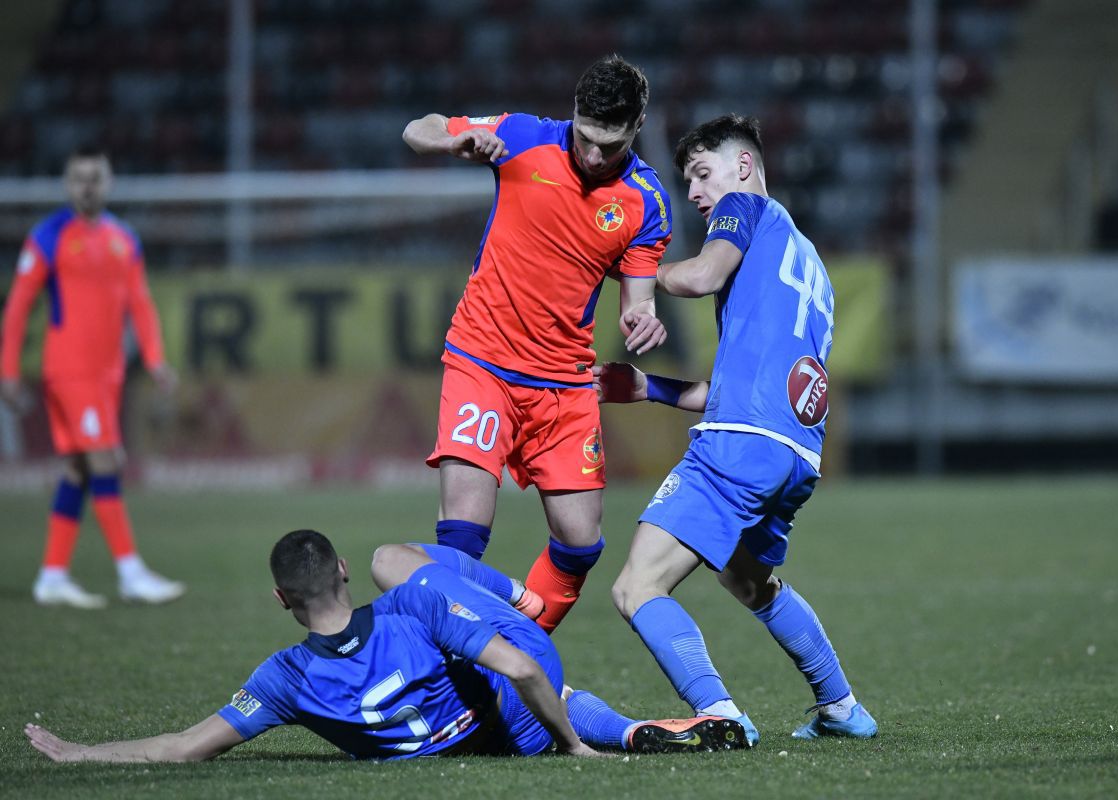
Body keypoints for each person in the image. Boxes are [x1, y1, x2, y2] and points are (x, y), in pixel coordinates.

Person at [596, 115, 878, 745]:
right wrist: (648, 389)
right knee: (748, 578)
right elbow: (734, 392)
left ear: (744, 167)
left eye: (701, 173)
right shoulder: (808, 266)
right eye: (688, 180)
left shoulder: (745, 206)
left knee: (636, 585)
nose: (695, 192)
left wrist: (630, 267)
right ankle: (841, 707)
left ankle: (719, 711)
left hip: (741, 448)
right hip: (797, 454)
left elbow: (698, 278)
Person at [24, 530, 748, 762]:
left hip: (478, 743)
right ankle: (606, 717)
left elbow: (182, 746)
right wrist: (573, 749)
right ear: (335, 572)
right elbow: (522, 665)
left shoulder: (284, 681)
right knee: (393, 557)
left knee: (526, 687)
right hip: (517, 702)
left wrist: (76, 753)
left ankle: (615, 725)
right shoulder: (411, 613)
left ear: (283, 601)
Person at [401, 54, 673, 634]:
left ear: (637, 127)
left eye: (611, 144)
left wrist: (645, 319)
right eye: (586, 138)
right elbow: (417, 128)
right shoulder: (522, 136)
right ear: (572, 114)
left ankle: (509, 655)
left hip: (565, 383)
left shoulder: (646, 202)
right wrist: (454, 143)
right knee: (464, 532)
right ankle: (449, 668)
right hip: (483, 361)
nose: (594, 155)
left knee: (580, 543)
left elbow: (638, 297)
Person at [1, 145, 183, 609]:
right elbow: (19, 306)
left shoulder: (124, 238)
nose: (87, 186)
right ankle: (129, 571)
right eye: (79, 178)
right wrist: (7, 369)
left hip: (108, 374)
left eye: (94, 177)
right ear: (67, 184)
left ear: (108, 182)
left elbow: (139, 302)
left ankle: (53, 576)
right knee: (106, 460)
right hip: (70, 371)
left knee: (79, 468)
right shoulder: (48, 236)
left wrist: (155, 357)